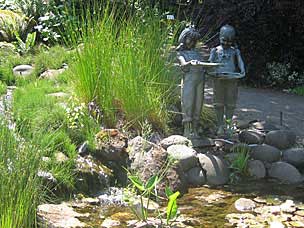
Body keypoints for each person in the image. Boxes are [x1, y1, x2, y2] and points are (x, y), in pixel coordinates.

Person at [208, 24, 245, 135]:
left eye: (229, 41)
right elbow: (210, 63)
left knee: (230, 104)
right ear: (220, 38)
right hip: (218, 79)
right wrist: (211, 71)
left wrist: (242, 71)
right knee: (218, 103)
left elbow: (240, 62)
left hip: (231, 80)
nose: (226, 44)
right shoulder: (215, 50)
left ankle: (228, 124)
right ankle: (220, 125)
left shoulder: (234, 51)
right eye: (224, 40)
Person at [176, 27, 205, 138]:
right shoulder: (181, 54)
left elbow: (204, 65)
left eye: (194, 41)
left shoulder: (197, 53)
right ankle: (187, 130)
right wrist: (189, 63)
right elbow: (183, 65)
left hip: (200, 80)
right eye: (189, 39)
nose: (192, 42)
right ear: (184, 39)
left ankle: (195, 129)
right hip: (189, 81)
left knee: (198, 104)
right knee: (188, 104)